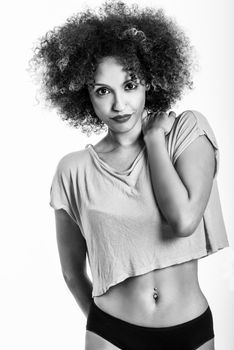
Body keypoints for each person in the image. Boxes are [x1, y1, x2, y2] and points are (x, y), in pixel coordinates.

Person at [30, 1, 229, 349]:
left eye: (130, 84)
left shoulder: (185, 133)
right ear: (86, 95)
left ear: (150, 81)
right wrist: (103, 324)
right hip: (111, 334)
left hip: (190, 329)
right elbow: (72, 272)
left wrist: (154, 139)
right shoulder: (73, 170)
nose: (119, 104)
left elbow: (183, 220)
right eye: (103, 90)